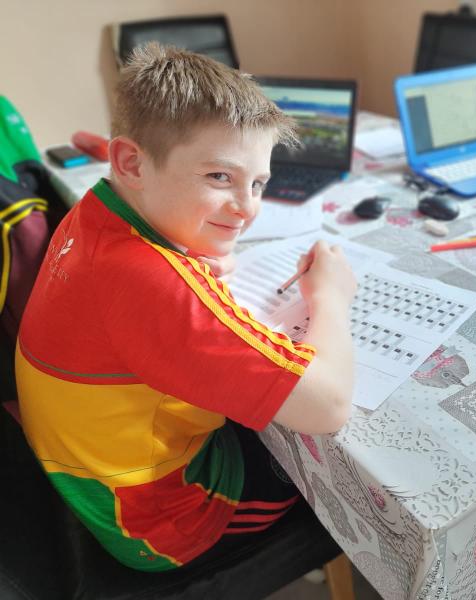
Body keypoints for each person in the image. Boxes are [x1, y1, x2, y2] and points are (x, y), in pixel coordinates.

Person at [15, 43, 357, 572]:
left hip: (88, 469)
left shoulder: (98, 210)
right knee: (329, 476)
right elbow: (329, 407)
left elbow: (155, 289)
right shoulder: (154, 283)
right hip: (158, 519)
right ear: (131, 162)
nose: (247, 209)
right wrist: (332, 297)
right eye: (220, 177)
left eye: (258, 183)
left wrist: (193, 256)